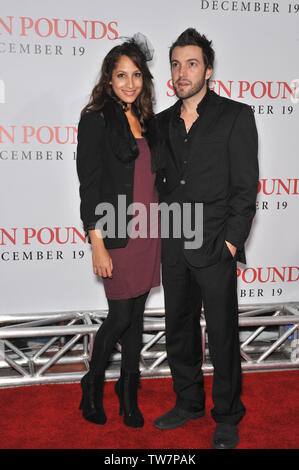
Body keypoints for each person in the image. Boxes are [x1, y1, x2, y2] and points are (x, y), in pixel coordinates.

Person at [153, 28, 259, 449]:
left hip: (216, 244)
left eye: (191, 63)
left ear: (208, 70)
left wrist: (231, 244)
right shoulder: (160, 123)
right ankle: (188, 402)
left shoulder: (235, 115)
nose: (182, 72)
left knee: (221, 332)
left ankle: (228, 413)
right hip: (174, 244)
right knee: (178, 328)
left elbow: (245, 188)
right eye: (176, 64)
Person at [76, 34, 162, 428]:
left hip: (151, 232)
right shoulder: (95, 118)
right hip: (117, 233)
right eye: (121, 75)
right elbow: (89, 185)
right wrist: (97, 243)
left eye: (137, 75)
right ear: (108, 79)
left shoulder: (148, 119)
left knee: (137, 314)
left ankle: (128, 392)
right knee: (121, 316)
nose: (130, 83)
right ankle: (92, 382)